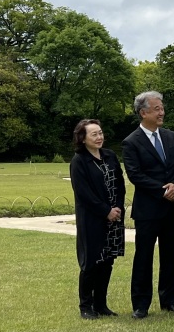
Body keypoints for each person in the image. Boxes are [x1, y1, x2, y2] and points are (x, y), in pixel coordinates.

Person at [121, 91, 174, 319]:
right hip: (148, 211)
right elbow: (135, 175)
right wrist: (163, 190)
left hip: (171, 209)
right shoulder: (131, 142)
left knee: (170, 257)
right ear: (143, 113)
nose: (162, 112)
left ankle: (170, 301)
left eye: (162, 108)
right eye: (157, 109)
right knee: (143, 257)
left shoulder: (170, 136)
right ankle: (140, 305)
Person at [69, 119, 125, 319]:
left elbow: (119, 183)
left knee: (107, 261)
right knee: (91, 263)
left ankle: (101, 304)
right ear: (82, 138)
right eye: (94, 134)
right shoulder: (79, 161)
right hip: (92, 219)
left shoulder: (110, 156)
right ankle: (86, 306)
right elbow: (83, 193)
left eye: (100, 133)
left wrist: (117, 207)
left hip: (114, 218)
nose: (99, 137)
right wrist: (105, 211)